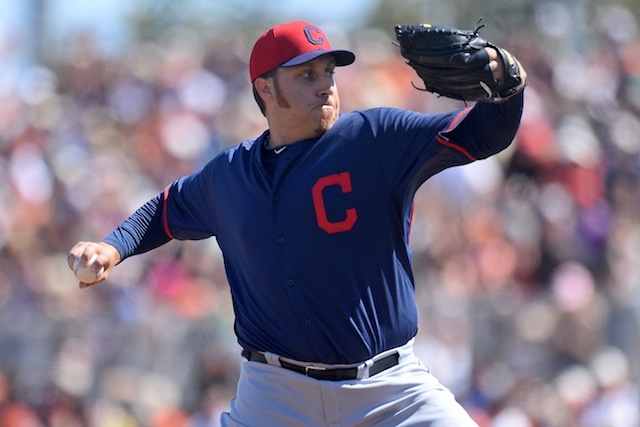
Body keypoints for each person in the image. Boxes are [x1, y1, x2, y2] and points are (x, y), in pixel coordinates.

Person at [68, 20, 527, 426]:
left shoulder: (374, 138)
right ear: (266, 89)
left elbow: (483, 134)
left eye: (329, 71)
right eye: (306, 74)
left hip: (388, 391)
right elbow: (165, 210)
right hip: (274, 395)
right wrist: (114, 246)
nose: (325, 84)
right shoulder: (230, 173)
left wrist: (508, 83)